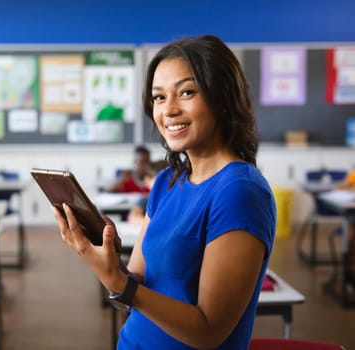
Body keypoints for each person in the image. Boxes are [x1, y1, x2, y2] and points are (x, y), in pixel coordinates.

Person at [53, 35, 276, 349]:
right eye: (159, 97)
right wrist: (106, 261)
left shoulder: (241, 192)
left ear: (222, 98)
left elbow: (208, 331)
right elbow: (139, 287)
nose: (168, 110)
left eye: (186, 92)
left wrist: (120, 284)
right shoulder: (167, 181)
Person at [127, 160, 169, 225]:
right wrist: (157, 224)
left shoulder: (176, 200)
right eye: (159, 182)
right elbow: (133, 217)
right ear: (147, 181)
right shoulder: (146, 200)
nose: (165, 186)